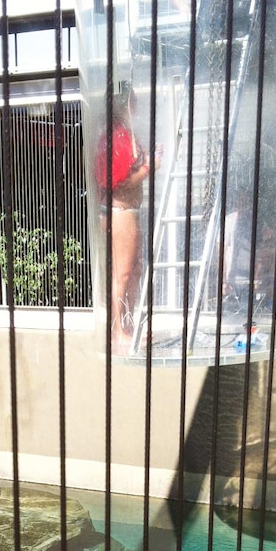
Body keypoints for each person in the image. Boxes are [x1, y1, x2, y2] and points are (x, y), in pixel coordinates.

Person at [95, 85, 160, 354]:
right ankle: (118, 332)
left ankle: (126, 327)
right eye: (133, 103)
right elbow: (117, 184)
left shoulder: (121, 136)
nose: (137, 108)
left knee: (130, 273)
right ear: (124, 106)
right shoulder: (117, 137)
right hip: (120, 212)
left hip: (122, 212)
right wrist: (148, 168)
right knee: (122, 274)